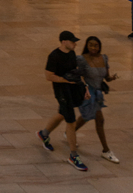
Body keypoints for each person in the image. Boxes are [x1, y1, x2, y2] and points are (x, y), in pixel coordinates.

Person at [36, 30, 89, 171]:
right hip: (62, 92)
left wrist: (85, 88)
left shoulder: (71, 54)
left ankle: (44, 134)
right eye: (72, 41)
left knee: (62, 114)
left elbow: (75, 71)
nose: (75, 44)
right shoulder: (54, 56)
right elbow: (48, 76)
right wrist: (65, 80)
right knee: (71, 122)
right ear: (64, 42)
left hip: (72, 89)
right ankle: (73, 156)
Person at [74, 36, 119, 162]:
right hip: (88, 93)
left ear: (99, 46)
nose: (93, 48)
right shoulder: (82, 59)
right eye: (90, 45)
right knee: (99, 120)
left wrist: (112, 78)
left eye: (95, 45)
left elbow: (106, 77)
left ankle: (71, 131)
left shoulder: (104, 58)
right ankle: (106, 150)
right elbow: (78, 75)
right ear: (87, 46)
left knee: (87, 116)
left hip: (98, 93)